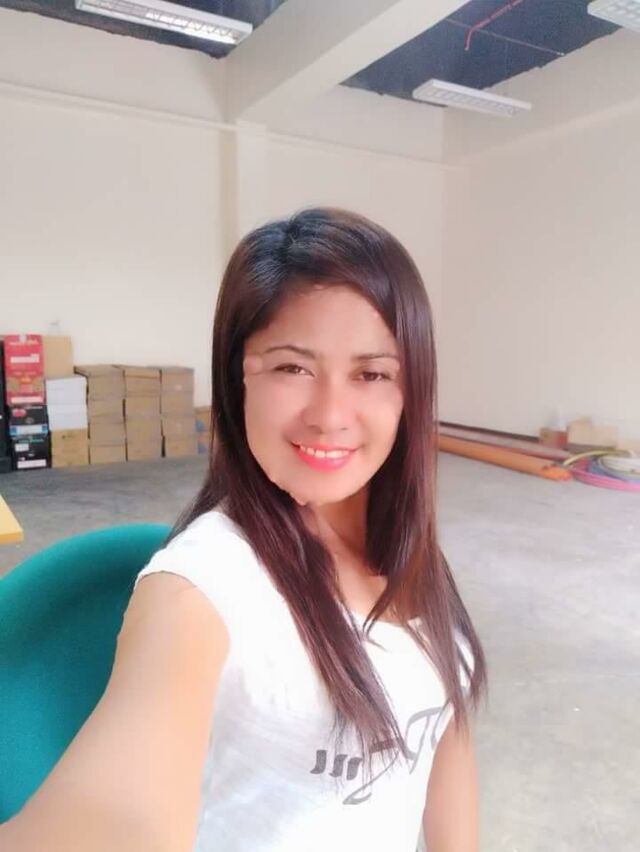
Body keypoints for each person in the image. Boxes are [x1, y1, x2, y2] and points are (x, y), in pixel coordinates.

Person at [3, 207, 487, 852]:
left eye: (371, 374)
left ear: (412, 391)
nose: (330, 415)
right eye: (292, 368)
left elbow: (443, 733)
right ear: (238, 380)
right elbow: (118, 823)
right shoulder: (200, 589)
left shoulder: (409, 554)